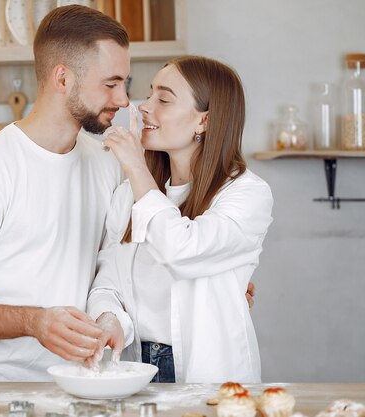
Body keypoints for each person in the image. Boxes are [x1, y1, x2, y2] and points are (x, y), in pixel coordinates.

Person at [0, 5, 131, 381]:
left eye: (125, 84)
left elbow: (115, 266)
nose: (123, 100)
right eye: (111, 83)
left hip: (85, 385)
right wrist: (34, 322)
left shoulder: (106, 163)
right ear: (63, 77)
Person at [87, 55, 274, 383]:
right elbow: (107, 281)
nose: (143, 107)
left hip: (209, 374)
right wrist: (108, 318)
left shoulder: (247, 195)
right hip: (136, 369)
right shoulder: (127, 196)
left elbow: (181, 250)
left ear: (204, 121)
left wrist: (135, 166)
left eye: (164, 99)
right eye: (149, 94)